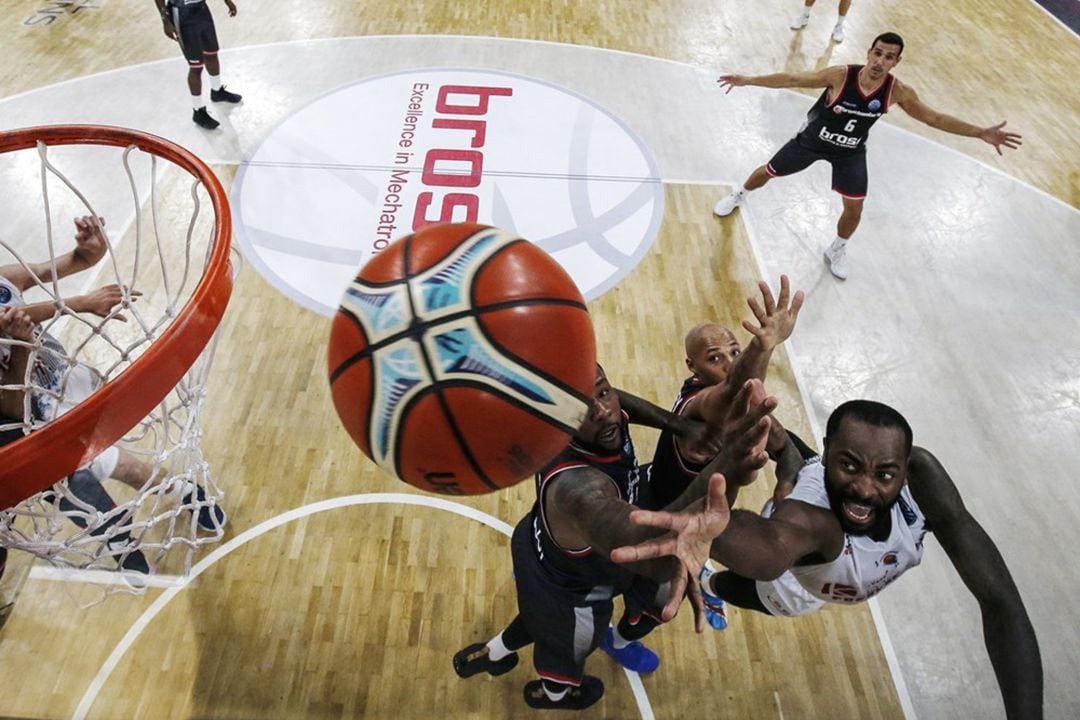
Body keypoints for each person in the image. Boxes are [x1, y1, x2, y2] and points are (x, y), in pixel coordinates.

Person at [613, 398, 1044, 720]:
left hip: (829, 577)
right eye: (850, 466)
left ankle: (781, 467)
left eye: (885, 474)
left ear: (905, 467)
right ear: (831, 450)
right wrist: (718, 529)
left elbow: (1000, 600)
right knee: (737, 589)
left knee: (793, 459)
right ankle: (707, 584)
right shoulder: (811, 520)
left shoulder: (923, 476)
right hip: (787, 587)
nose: (865, 488)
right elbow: (771, 551)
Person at [452, 366, 771, 711]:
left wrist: (679, 425)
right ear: (560, 421)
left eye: (603, 392)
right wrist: (726, 464)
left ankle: (494, 652)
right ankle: (554, 695)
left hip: (536, 546)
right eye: (584, 408)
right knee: (566, 656)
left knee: (539, 618)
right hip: (573, 594)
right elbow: (644, 553)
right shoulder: (578, 489)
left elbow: (618, 404)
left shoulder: (598, 419)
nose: (604, 411)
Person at [0, 215, 226, 576]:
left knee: (105, 477)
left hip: (66, 385)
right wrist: (74, 307)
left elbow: (63, 266)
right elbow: (10, 416)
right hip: (30, 426)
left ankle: (179, 494)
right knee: (91, 485)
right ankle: (126, 534)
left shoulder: (6, 277)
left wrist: (86, 253)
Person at [713, 32, 1023, 280]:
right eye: (877, 53)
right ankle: (740, 194)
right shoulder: (840, 75)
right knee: (768, 171)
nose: (880, 60)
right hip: (811, 142)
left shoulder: (897, 91)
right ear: (868, 53)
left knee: (855, 208)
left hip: (850, 152)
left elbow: (935, 119)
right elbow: (793, 79)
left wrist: (980, 132)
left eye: (889, 57)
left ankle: (837, 248)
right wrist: (748, 79)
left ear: (896, 62)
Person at [154, 0, 243, 130]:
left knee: (212, 53)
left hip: (201, 9)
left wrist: (227, 1)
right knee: (196, 66)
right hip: (182, 13)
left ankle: (217, 91)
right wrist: (165, 20)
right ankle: (198, 111)